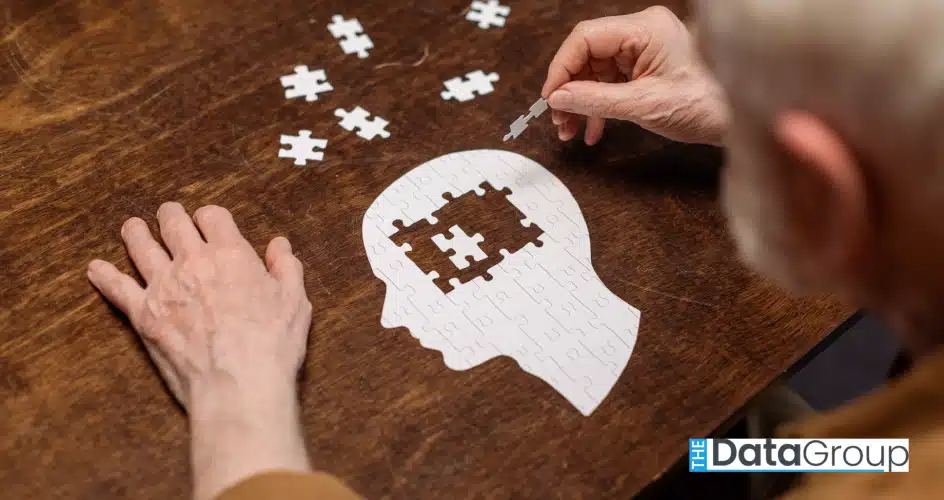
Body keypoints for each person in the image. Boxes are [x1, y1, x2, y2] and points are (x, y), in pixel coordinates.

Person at [87, 1, 944, 499]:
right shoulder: (889, 448)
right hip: (846, 445)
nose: (387, 308)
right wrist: (742, 451)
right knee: (737, 441)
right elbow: (877, 448)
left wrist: (243, 420)